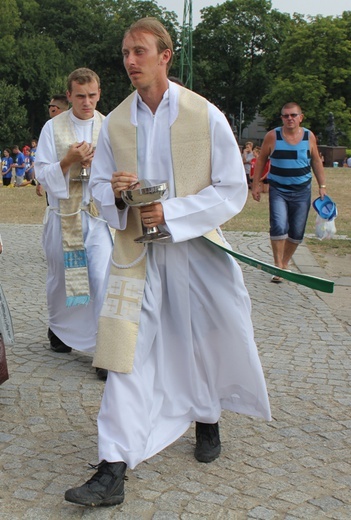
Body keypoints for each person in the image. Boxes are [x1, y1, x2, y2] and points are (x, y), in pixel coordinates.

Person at [65, 18, 271, 508]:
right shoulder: (115, 122)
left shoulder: (204, 115)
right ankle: (112, 465)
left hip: (197, 252)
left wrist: (173, 212)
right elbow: (97, 191)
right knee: (126, 355)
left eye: (140, 51)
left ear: (166, 55)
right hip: (139, 256)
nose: (131, 61)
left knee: (203, 337)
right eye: (125, 53)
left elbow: (231, 187)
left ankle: (207, 415)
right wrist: (114, 194)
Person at [35, 68, 113, 380]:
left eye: (92, 96)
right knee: (62, 280)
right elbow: (41, 173)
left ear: (99, 93)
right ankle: (60, 330)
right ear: (69, 95)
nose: (87, 102)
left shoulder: (108, 127)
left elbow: (121, 169)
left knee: (99, 278)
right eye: (80, 96)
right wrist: (68, 161)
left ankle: (105, 352)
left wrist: (99, 166)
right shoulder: (52, 128)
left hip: (96, 219)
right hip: (64, 218)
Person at [252, 102, 326, 283]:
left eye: (293, 115)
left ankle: (285, 263)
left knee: (297, 231)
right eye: (286, 116)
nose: (289, 119)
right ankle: (278, 266)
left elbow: (316, 161)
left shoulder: (309, 136)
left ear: (301, 117)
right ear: (282, 118)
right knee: (278, 225)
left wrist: (322, 186)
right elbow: (261, 160)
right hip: (279, 189)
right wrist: (255, 185)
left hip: (302, 190)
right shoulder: (272, 136)